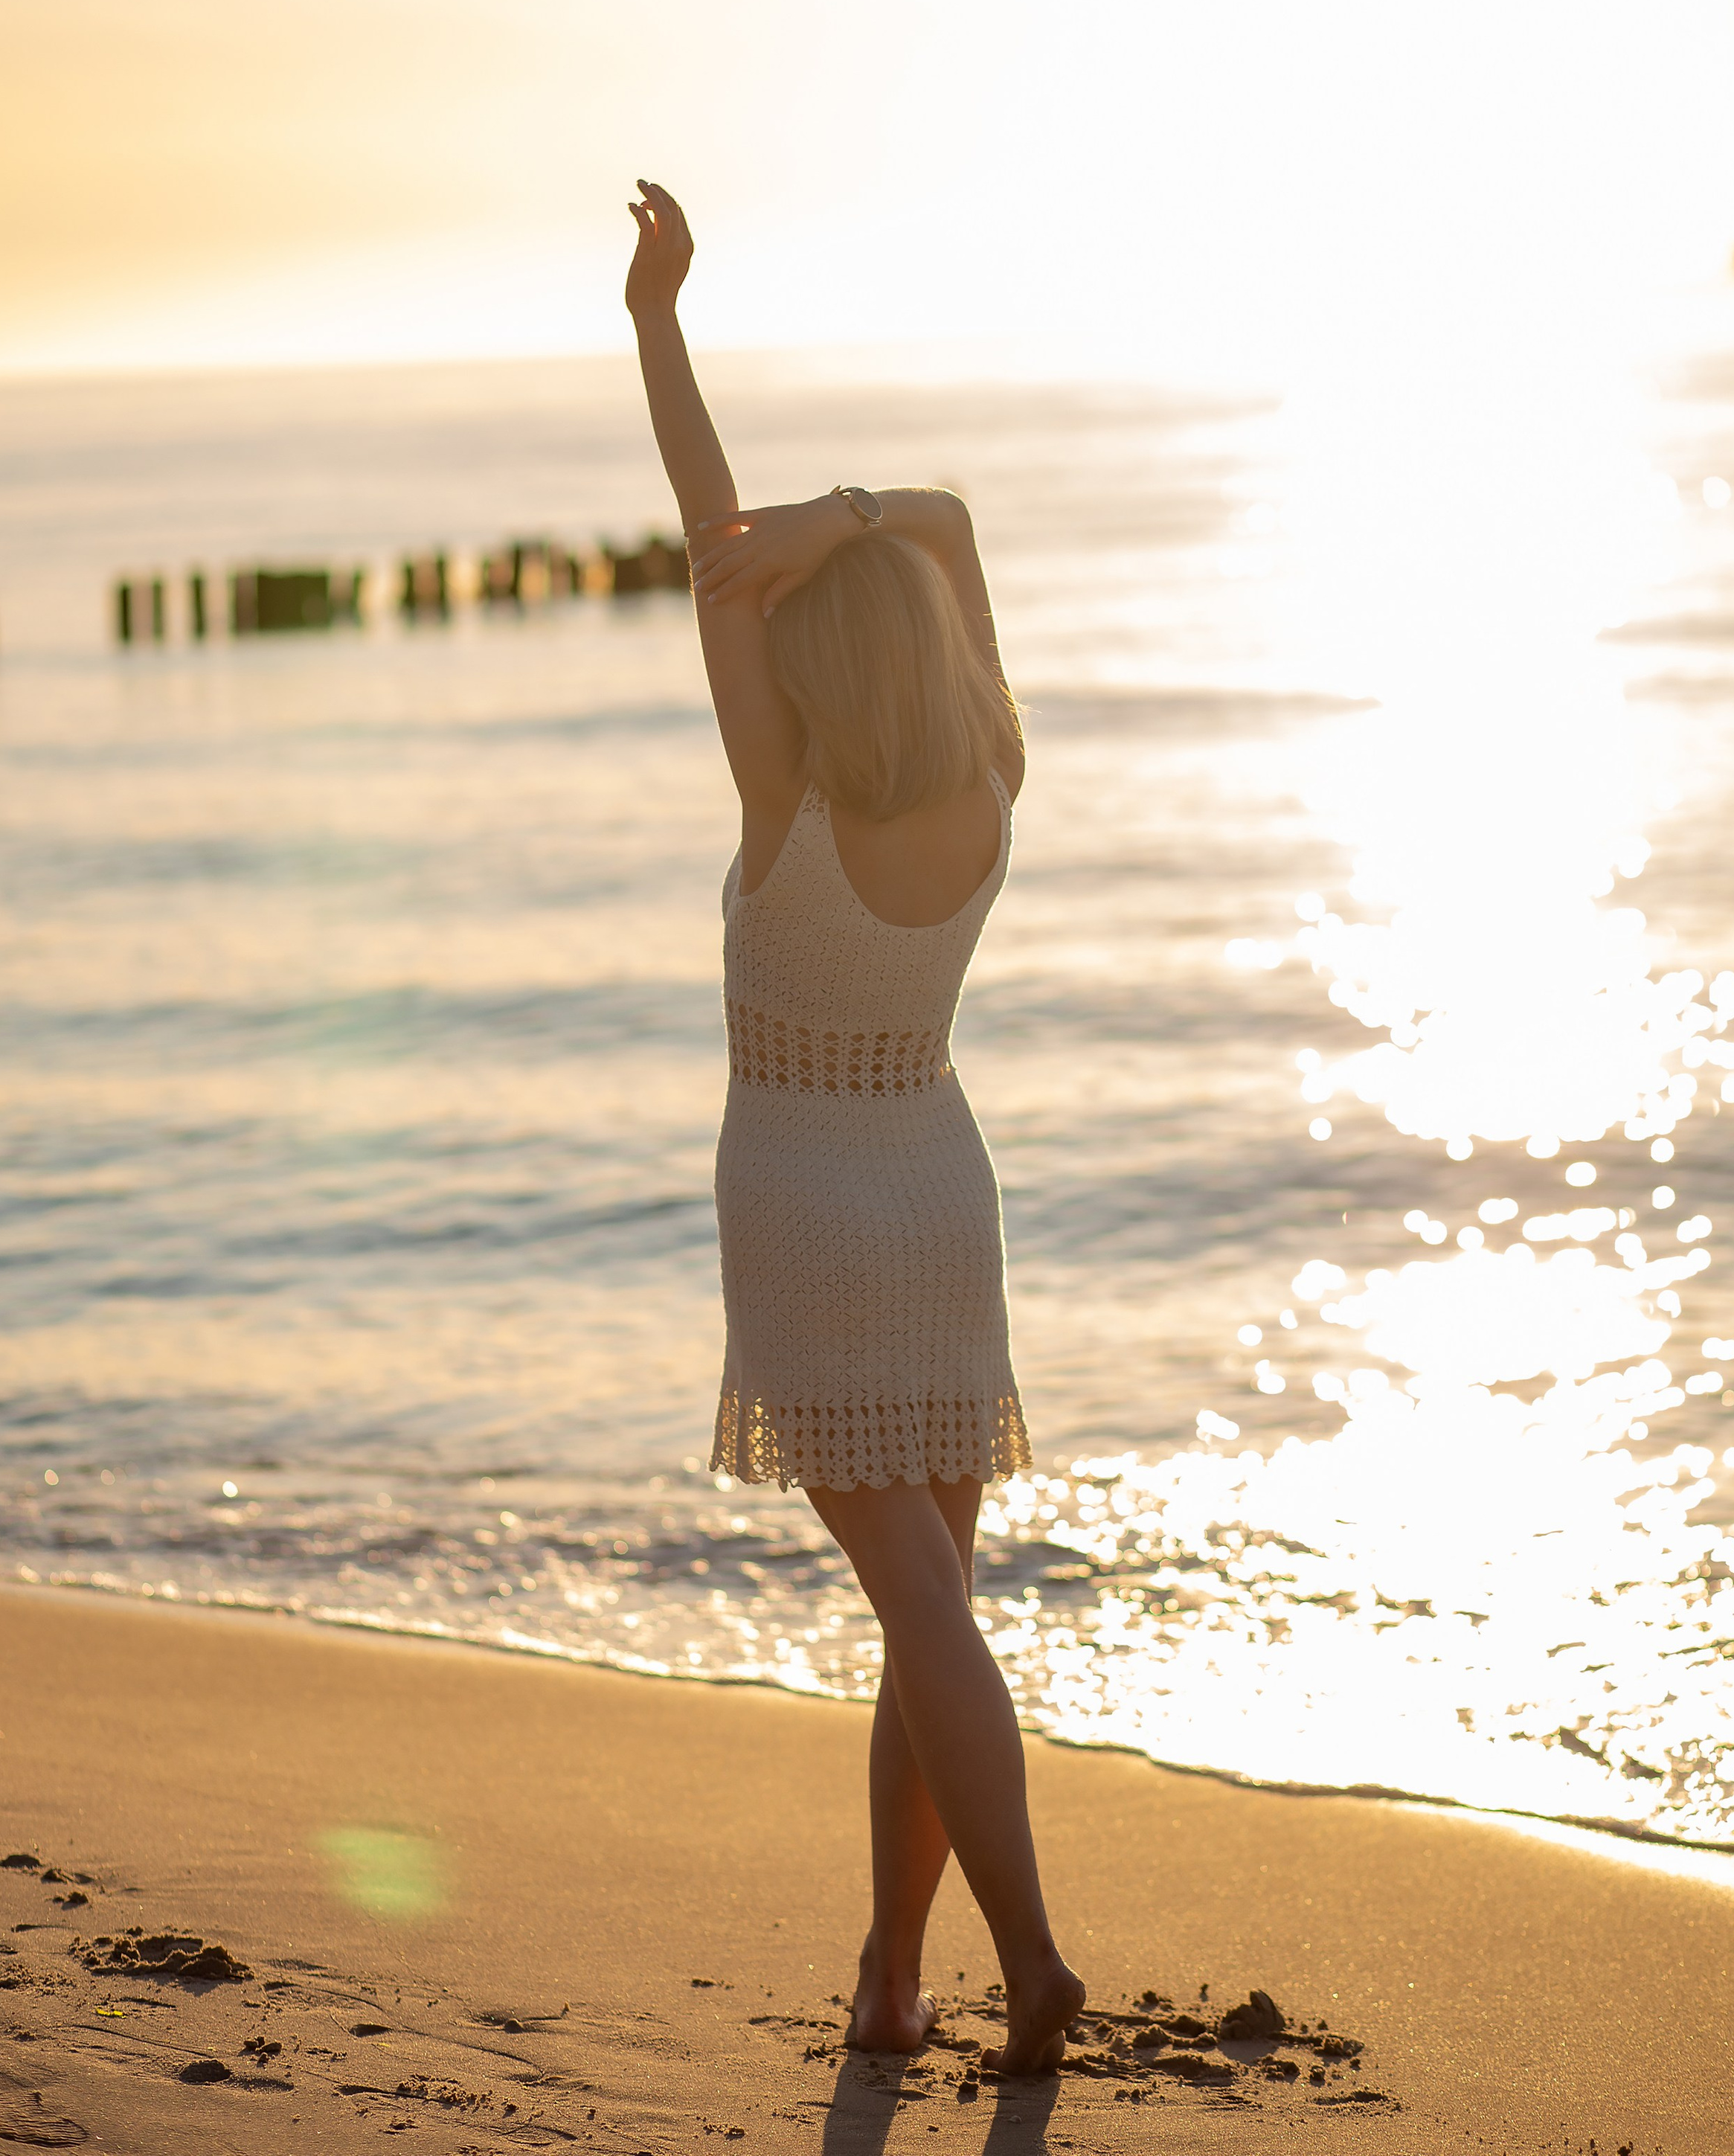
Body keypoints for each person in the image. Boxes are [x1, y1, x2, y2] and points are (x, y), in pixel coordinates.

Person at [626, 179, 1085, 2078]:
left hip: (804, 1205)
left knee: (927, 1614)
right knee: (933, 1612)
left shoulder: (780, 791)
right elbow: (951, 533)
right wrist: (861, 518)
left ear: (824, 654)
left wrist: (659, 322)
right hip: (936, 1182)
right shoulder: (990, 764)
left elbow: (694, 519)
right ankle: (892, 1983)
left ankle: (1034, 1961)